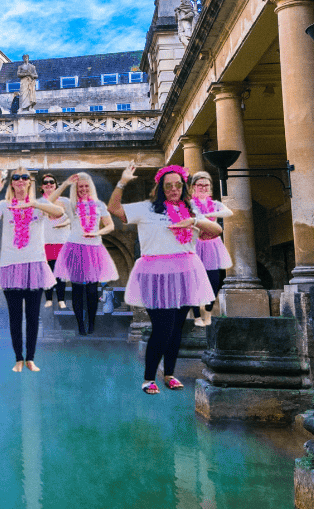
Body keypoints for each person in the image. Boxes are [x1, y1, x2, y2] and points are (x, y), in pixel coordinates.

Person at [109, 163, 220, 394]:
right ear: (160, 188)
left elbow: (216, 230)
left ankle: (169, 373)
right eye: (168, 185)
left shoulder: (191, 211)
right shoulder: (146, 208)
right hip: (156, 274)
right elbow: (114, 208)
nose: (173, 189)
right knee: (162, 329)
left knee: (177, 328)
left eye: (177, 185)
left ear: (183, 187)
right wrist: (122, 182)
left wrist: (194, 221)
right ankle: (149, 378)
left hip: (185, 274)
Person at [0, 168, 65, 372]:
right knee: (15, 316)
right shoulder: (4, 205)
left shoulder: (40, 204)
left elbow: (60, 213)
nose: (20, 180)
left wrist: (35, 203)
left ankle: (31, 358)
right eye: (16, 177)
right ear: (11, 183)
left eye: (24, 177)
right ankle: (18, 358)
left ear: (30, 183)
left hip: (35, 265)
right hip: (11, 266)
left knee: (33, 316)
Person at [52, 173, 119, 336]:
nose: (83, 189)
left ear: (90, 187)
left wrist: (97, 232)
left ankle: (91, 323)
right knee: (77, 289)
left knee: (91, 291)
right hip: (74, 248)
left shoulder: (99, 205)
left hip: (94, 249)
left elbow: (110, 225)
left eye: (86, 186)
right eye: (80, 186)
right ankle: (80, 325)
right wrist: (66, 183)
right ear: (76, 188)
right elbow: (50, 200)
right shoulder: (71, 204)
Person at [189, 171, 234, 327]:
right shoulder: (190, 204)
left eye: (206, 185)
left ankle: (207, 312)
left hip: (212, 245)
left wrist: (211, 212)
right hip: (195, 244)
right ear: (193, 187)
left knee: (214, 280)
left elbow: (229, 212)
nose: (203, 187)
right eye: (200, 185)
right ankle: (196, 316)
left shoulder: (214, 204)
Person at [39, 174, 69, 309]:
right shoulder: (39, 202)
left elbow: (74, 217)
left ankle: (61, 299)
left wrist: (63, 224)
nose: (49, 184)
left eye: (52, 182)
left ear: (56, 185)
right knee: (48, 271)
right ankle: (49, 298)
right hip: (45, 241)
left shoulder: (65, 201)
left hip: (62, 241)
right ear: (42, 187)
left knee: (60, 271)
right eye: (46, 183)